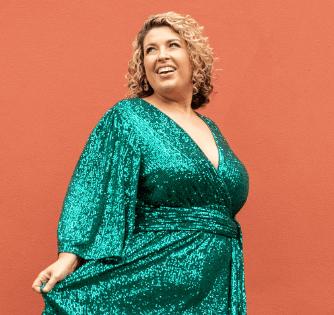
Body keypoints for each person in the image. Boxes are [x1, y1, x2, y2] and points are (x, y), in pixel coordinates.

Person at [32, 12, 250, 314]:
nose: (161, 56)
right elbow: (93, 188)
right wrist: (69, 256)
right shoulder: (129, 118)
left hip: (213, 284)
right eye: (151, 49)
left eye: (172, 45)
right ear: (143, 65)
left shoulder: (211, 128)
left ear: (194, 57)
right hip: (151, 276)